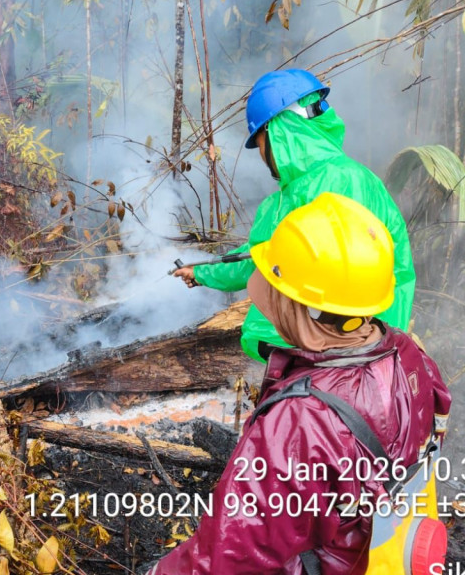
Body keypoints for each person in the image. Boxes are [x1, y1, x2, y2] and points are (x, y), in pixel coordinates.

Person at [94, 193, 451, 575]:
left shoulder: (303, 420)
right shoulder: (406, 353)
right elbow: (434, 422)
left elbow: (238, 545)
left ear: (301, 304)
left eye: (274, 283)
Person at [173, 69, 415, 363]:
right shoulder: (355, 177)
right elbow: (265, 257)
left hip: (333, 346)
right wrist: (201, 272)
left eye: (260, 141)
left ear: (278, 131)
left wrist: (201, 274)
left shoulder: (310, 194)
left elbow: (262, 262)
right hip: (372, 340)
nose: (261, 154)